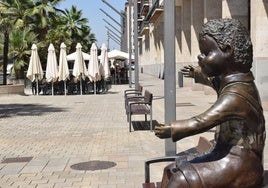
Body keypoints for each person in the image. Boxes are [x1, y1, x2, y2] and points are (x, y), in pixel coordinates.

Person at [155, 18, 266, 188]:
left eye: (207, 53)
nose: (200, 57)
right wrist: (198, 74)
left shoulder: (236, 95)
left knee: (179, 181)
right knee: (169, 171)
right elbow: (215, 82)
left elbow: (203, 121)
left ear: (228, 51)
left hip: (241, 165)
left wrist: (173, 129)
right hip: (224, 153)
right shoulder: (234, 82)